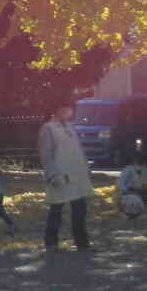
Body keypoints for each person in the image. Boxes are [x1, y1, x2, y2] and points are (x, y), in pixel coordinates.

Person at [37, 99, 94, 250]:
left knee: (80, 209)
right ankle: (51, 242)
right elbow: (46, 154)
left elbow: (78, 150)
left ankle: (82, 242)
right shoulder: (48, 128)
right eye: (66, 108)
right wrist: (53, 175)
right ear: (58, 109)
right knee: (56, 210)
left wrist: (85, 168)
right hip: (60, 175)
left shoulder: (70, 126)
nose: (70, 111)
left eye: (70, 108)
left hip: (77, 175)